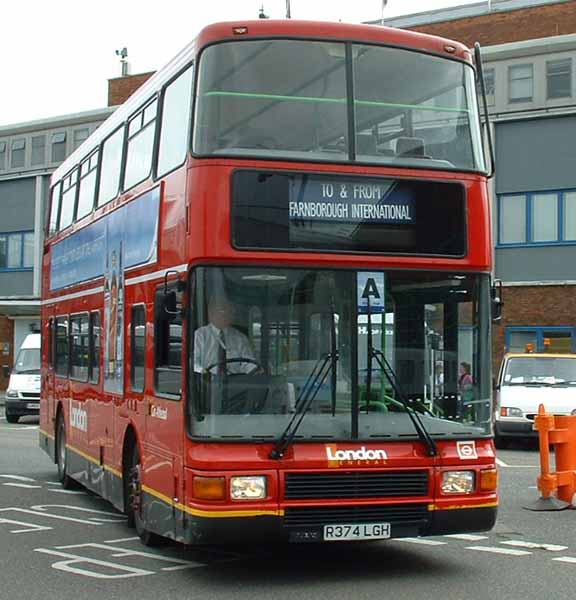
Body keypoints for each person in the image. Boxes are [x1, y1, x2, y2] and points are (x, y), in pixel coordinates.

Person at [194, 300, 257, 375]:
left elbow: (248, 362)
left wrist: (254, 370)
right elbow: (193, 362)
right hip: (207, 383)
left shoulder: (240, 338)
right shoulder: (201, 335)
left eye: (229, 312)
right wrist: (203, 372)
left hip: (235, 382)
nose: (225, 315)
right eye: (221, 311)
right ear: (211, 314)